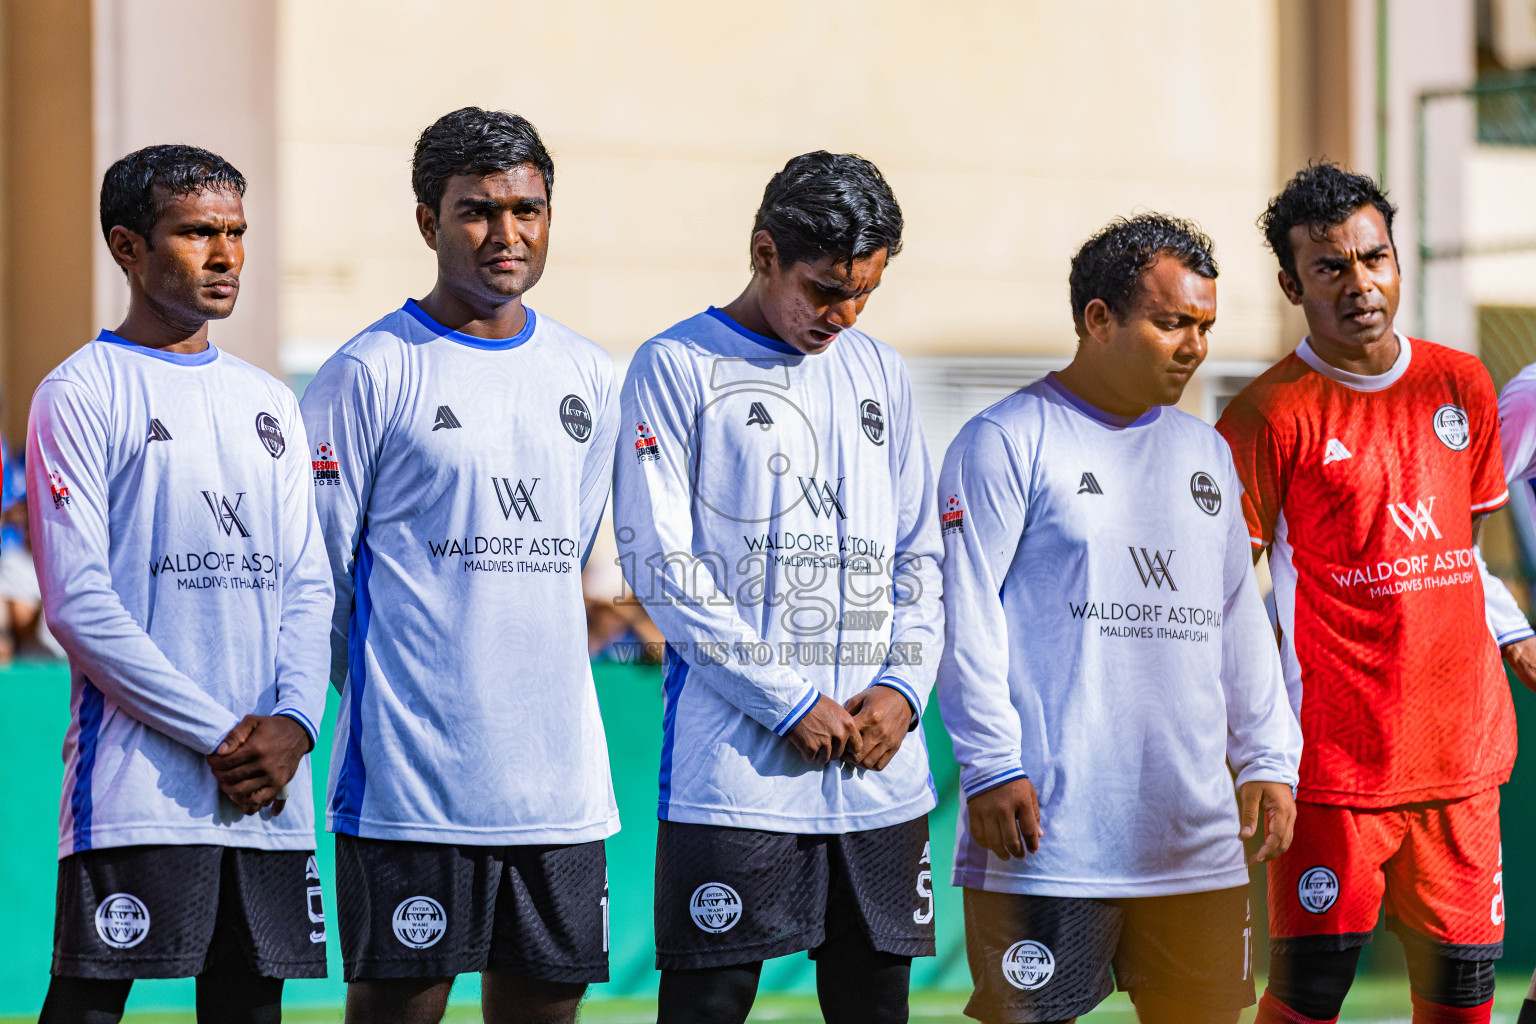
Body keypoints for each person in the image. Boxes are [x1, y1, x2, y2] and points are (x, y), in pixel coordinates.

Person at [937, 213, 1300, 1024]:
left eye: (1205, 325)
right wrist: (992, 765)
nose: (1195, 346)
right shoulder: (1005, 438)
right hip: (1049, 840)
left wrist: (1269, 756)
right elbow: (961, 615)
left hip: (1194, 840)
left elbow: (1240, 621)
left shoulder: (1205, 451)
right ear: (1097, 319)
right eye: (1171, 322)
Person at [299, 107, 619, 1024]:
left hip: (560, 789)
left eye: (528, 209)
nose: (507, 234)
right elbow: (319, 578)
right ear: (427, 222)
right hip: (410, 788)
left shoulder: (591, 376)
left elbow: (575, 552)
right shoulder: (369, 373)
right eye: (478, 210)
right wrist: (385, 699)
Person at [613, 151, 943, 1024]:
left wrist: (905, 692)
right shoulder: (675, 365)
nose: (845, 314)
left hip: (880, 775)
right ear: (765, 253)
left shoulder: (881, 373)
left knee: (875, 1008)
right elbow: (661, 567)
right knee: (709, 1004)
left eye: (866, 291)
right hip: (737, 773)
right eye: (826, 289)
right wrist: (788, 698)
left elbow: (921, 557)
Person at [28, 145, 332, 1023]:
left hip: (268, 789)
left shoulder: (268, 399)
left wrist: (296, 726)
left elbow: (308, 585)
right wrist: (223, 736)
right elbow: (80, 603)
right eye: (198, 232)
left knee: (249, 1009)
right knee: (88, 1004)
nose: (226, 254)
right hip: (139, 788)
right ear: (127, 247)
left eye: (236, 232)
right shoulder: (80, 392)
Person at [1217, 163, 1513, 1024]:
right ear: (1290, 283)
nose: (1360, 285)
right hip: (1335, 771)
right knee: (1308, 1000)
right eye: (1330, 268)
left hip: (1463, 765)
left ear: (1395, 259)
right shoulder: (1267, 415)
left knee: (1463, 1002)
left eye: (1373, 258)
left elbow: (1465, 553)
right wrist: (1254, 750)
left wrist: (1513, 629)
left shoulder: (1461, 384)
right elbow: (1228, 600)